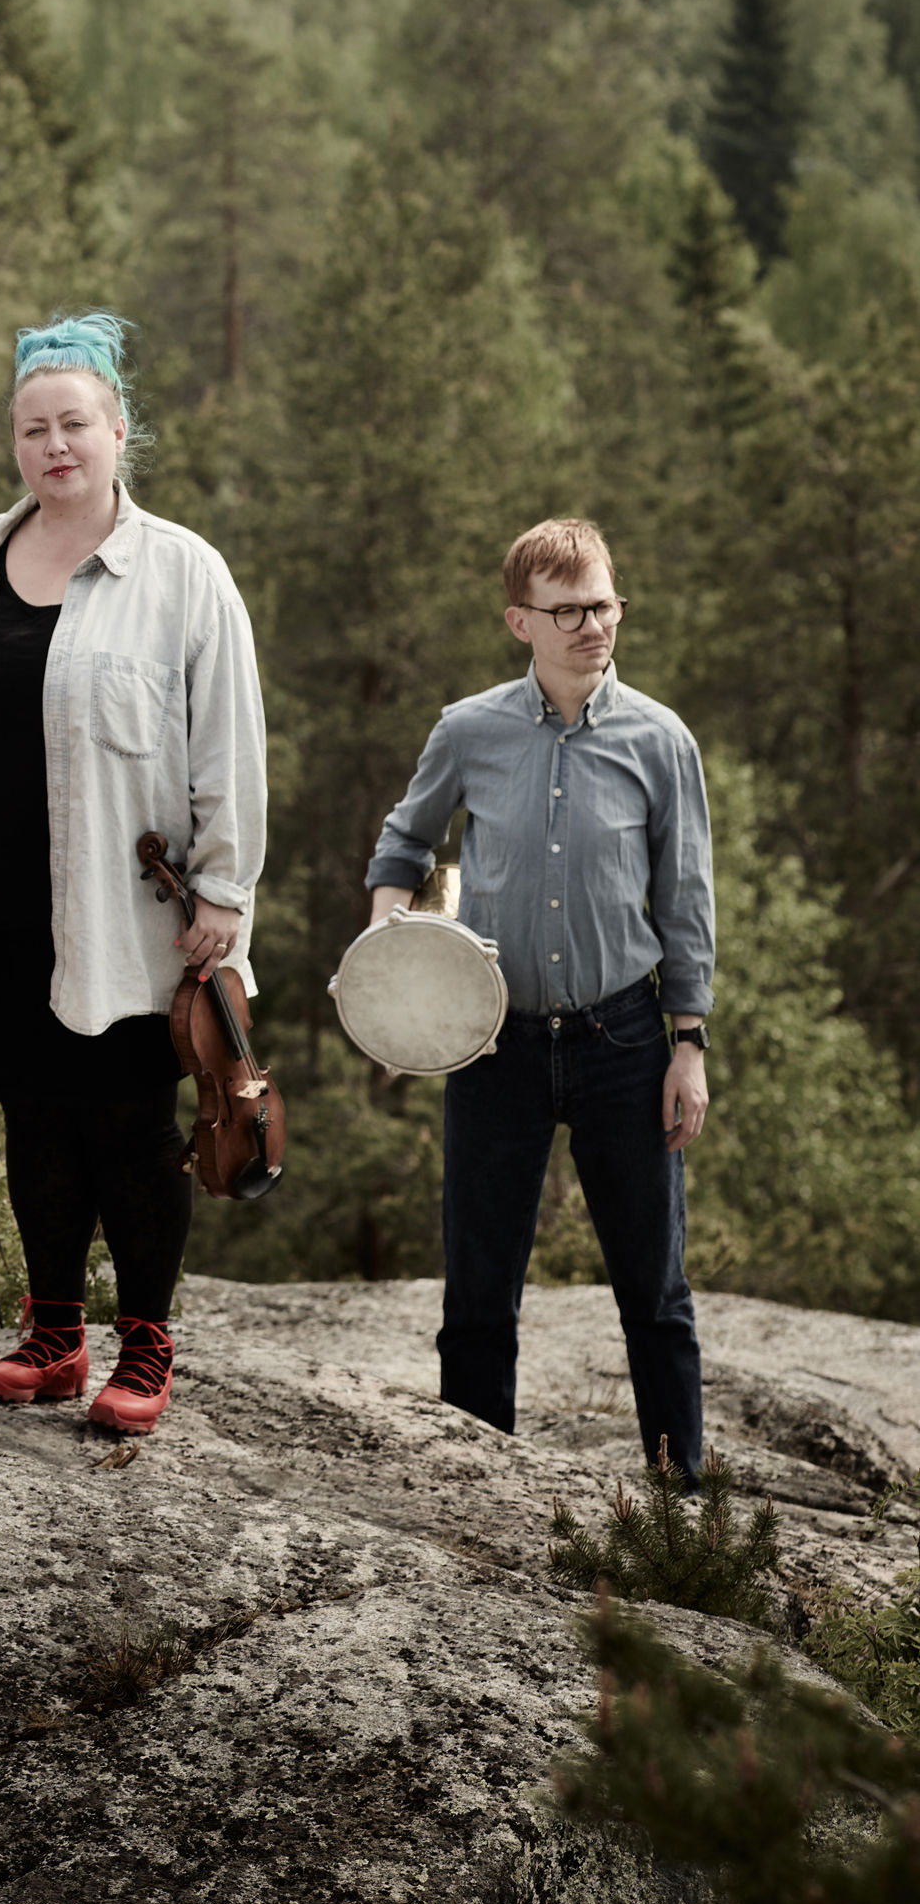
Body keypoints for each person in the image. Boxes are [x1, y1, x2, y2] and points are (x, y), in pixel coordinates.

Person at [0, 312, 265, 1437]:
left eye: (74, 423)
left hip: (130, 916)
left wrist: (227, 890)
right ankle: (51, 1339)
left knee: (129, 1128)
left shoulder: (182, 573)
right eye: (33, 428)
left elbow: (229, 744)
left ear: (119, 428)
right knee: (34, 1121)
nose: (55, 447)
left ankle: (147, 1347)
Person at [364, 514, 713, 1477]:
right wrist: (392, 939)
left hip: (625, 1040)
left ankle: (679, 1504)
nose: (594, 626)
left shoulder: (659, 739)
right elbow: (401, 845)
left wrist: (689, 1044)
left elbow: (684, 901)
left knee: (654, 1291)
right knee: (478, 1293)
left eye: (604, 604)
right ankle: (479, 1496)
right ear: (520, 620)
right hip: (492, 1046)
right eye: (569, 611)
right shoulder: (467, 730)